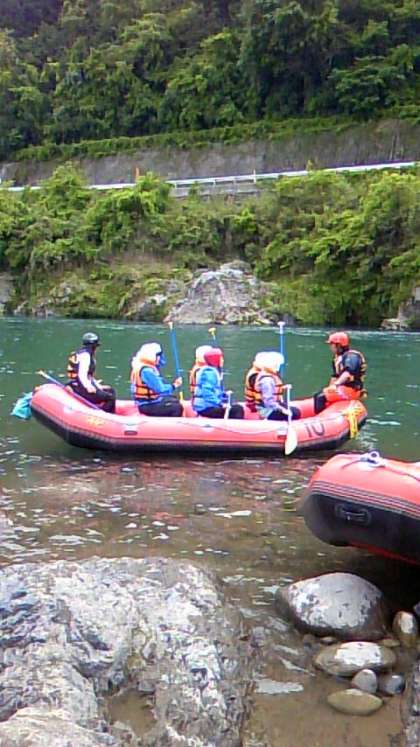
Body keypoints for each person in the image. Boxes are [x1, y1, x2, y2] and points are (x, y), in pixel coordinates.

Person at [314, 332, 367, 413]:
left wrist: (335, 385)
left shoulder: (351, 356)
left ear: (338, 345)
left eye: (331, 344)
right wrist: (329, 389)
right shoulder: (337, 359)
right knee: (321, 394)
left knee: (320, 397)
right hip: (344, 389)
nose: (330, 347)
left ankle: (320, 418)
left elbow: (347, 373)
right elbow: (335, 376)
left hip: (353, 390)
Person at [67, 332, 116, 413]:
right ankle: (106, 415)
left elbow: (89, 376)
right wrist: (88, 387)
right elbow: (82, 374)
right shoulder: (85, 356)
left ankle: (105, 412)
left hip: (79, 385)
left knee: (111, 391)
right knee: (110, 397)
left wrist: (98, 386)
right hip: (78, 387)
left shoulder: (83, 354)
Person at [130, 342, 183, 417]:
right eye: (158, 356)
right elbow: (160, 389)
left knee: (173, 399)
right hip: (147, 405)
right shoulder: (147, 371)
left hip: (149, 401)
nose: (159, 358)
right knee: (176, 408)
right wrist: (174, 385)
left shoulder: (140, 366)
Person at [244, 351, 300, 420]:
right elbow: (268, 401)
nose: (278, 367)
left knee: (294, 410)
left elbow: (268, 390)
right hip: (267, 410)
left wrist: (282, 388)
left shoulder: (266, 375)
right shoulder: (267, 380)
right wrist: (282, 409)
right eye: (277, 365)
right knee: (295, 413)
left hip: (267, 407)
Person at [193, 347, 244, 419]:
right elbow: (207, 392)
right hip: (205, 407)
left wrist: (224, 396)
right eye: (221, 358)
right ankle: (234, 425)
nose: (222, 360)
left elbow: (216, 391)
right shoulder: (208, 373)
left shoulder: (214, 371)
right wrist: (220, 404)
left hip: (210, 405)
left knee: (235, 407)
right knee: (237, 409)